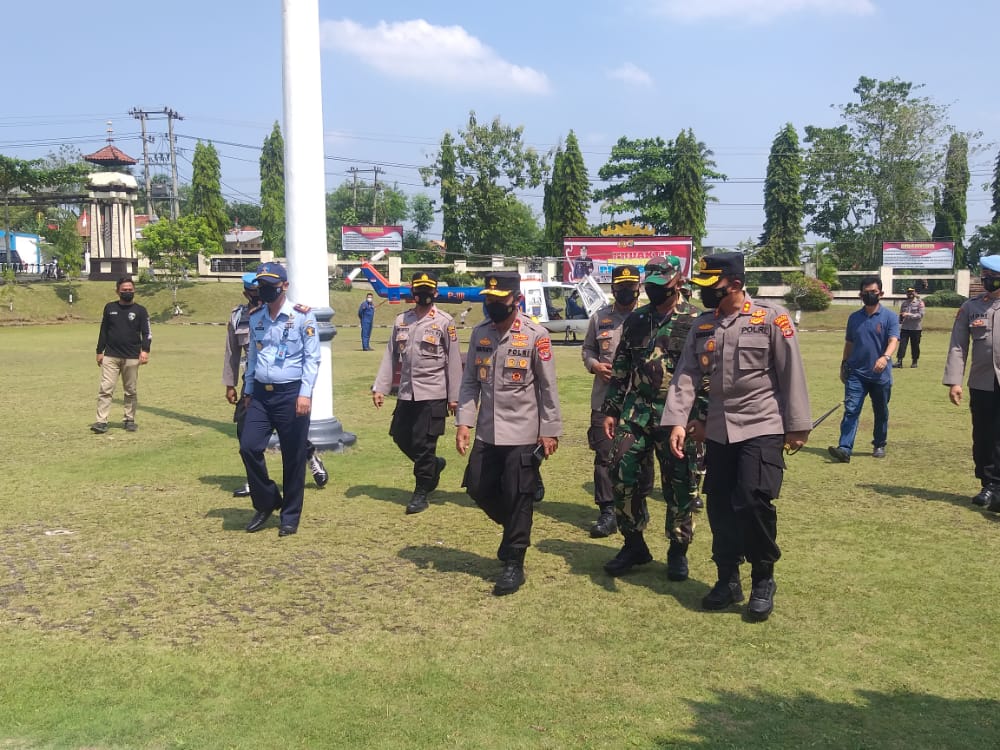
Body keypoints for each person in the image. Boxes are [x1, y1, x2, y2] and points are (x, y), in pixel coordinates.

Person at [662, 252, 811, 622]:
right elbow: (686, 376)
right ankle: (727, 579)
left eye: (716, 288)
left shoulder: (770, 318)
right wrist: (678, 421)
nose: (708, 295)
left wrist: (798, 425)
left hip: (762, 424)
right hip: (719, 430)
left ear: (737, 286)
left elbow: (791, 372)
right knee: (720, 507)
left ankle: (763, 578)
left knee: (753, 500)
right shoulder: (702, 326)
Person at [456, 271, 562, 596]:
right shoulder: (480, 334)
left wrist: (550, 430)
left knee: (519, 495)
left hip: (523, 432)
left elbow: (547, 386)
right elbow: (471, 381)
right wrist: (464, 422)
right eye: (488, 299)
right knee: (476, 486)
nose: (491, 305)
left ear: (514, 300)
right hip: (488, 431)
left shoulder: (535, 335)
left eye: (498, 300)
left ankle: (514, 560)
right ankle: (513, 530)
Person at [600, 257, 705, 581]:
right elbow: (621, 367)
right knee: (621, 473)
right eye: (651, 285)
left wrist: (701, 416)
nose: (654, 290)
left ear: (678, 282)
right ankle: (634, 544)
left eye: (661, 285)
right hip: (638, 411)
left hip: (678, 415)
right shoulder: (637, 320)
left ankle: (677, 549)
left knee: (680, 484)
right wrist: (611, 409)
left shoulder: (697, 321)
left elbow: (707, 373)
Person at [223, 272, 327, 498]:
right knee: (246, 435)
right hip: (254, 382)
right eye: (257, 289)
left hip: (286, 385)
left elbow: (311, 357)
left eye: (266, 287)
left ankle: (309, 456)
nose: (261, 293)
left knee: (291, 438)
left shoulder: (296, 315)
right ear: (248, 292)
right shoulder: (243, 316)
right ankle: (256, 482)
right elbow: (234, 352)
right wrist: (231, 383)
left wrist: (305, 393)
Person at [372, 271, 463, 514]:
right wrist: (380, 387)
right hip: (407, 392)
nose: (423, 295)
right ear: (413, 292)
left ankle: (421, 491)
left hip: (433, 392)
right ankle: (433, 466)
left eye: (428, 290)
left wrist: (454, 398)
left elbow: (453, 361)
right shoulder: (402, 320)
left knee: (423, 444)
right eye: (419, 290)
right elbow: (391, 354)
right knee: (400, 436)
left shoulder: (445, 322)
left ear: (435, 293)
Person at [240, 262, 320, 537]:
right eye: (261, 285)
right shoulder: (256, 318)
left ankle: (290, 515)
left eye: (271, 285)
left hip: (291, 394)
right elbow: (252, 356)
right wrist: (249, 390)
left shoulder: (302, 317)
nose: (264, 289)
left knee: (294, 457)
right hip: (262, 394)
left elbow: (312, 358)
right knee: (249, 446)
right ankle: (267, 501)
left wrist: (305, 393)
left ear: (284, 286)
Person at [581, 265, 649, 538]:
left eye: (630, 287)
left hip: (640, 401)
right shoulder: (600, 319)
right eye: (620, 287)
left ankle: (639, 503)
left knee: (641, 457)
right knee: (604, 456)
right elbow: (587, 349)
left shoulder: (648, 318)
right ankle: (607, 511)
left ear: (639, 288)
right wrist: (595, 364)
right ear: (612, 289)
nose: (625, 292)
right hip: (605, 399)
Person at [943, 255, 1000, 511]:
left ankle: (995, 486)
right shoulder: (971, 307)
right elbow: (958, 345)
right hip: (982, 382)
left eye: (989, 275)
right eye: (983, 274)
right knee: (984, 435)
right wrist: (955, 381)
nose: (984, 279)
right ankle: (987, 483)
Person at [828, 277, 900, 463]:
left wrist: (885, 357)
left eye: (873, 292)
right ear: (860, 295)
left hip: (880, 375)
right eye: (866, 292)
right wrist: (844, 364)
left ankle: (879, 443)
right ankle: (844, 448)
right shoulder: (854, 318)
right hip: (856, 374)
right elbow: (849, 342)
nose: (869, 295)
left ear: (881, 294)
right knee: (851, 410)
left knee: (881, 411)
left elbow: (894, 340)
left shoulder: (890, 317)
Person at [91, 276, 152, 434]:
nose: (127, 292)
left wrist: (145, 350)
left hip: (131, 356)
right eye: (124, 290)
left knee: (130, 390)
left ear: (134, 291)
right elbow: (103, 331)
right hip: (111, 355)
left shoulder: (140, 310)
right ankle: (101, 421)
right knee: (106, 389)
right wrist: (99, 351)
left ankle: (129, 419)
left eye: (130, 290)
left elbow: (147, 333)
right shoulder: (110, 308)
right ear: (117, 291)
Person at [897, 287, 925, 368]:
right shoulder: (904, 303)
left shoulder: (920, 303)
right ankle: (899, 361)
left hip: (916, 328)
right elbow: (901, 315)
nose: (910, 294)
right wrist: (899, 324)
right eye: (908, 292)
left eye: (912, 292)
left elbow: (920, 315)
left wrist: (909, 315)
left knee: (915, 345)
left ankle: (914, 362)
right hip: (905, 328)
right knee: (902, 345)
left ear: (915, 293)